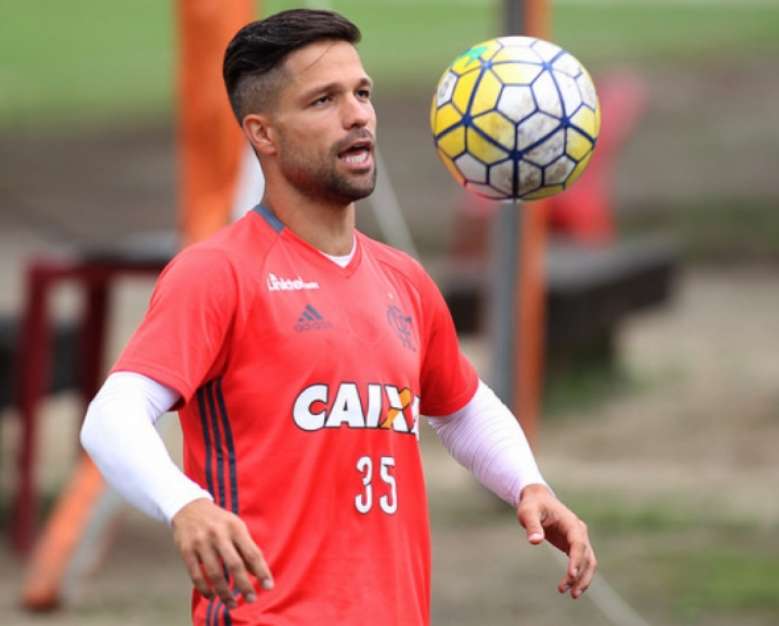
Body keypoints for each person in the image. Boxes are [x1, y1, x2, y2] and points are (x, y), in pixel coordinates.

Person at [80, 9, 596, 625]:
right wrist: (184, 503)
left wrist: (528, 484)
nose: (357, 116)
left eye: (362, 92)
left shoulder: (402, 279)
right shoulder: (218, 273)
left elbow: (461, 405)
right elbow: (111, 417)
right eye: (323, 100)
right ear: (263, 134)